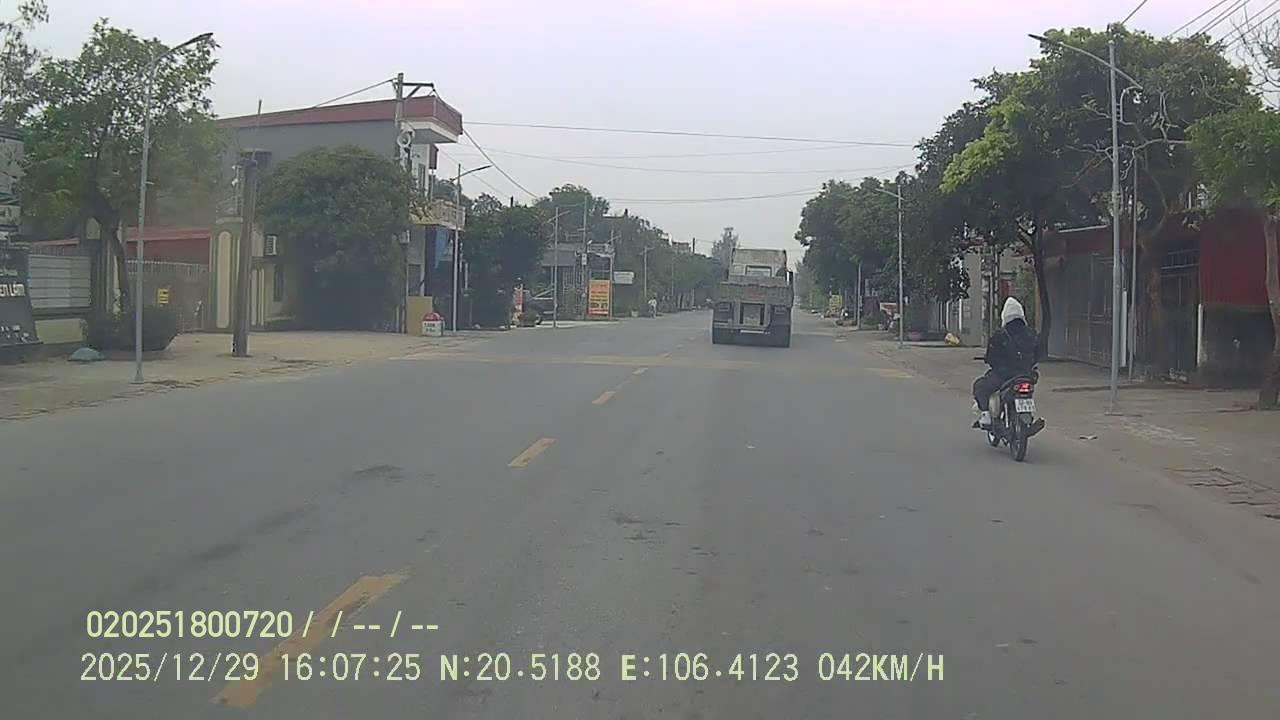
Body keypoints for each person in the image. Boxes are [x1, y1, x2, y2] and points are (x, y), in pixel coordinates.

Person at [974, 297, 1039, 428]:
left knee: (980, 387)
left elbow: (991, 357)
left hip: (1004, 376)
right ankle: (1027, 416)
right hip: (1027, 375)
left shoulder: (1000, 335)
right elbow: (1038, 353)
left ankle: (986, 415)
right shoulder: (1031, 334)